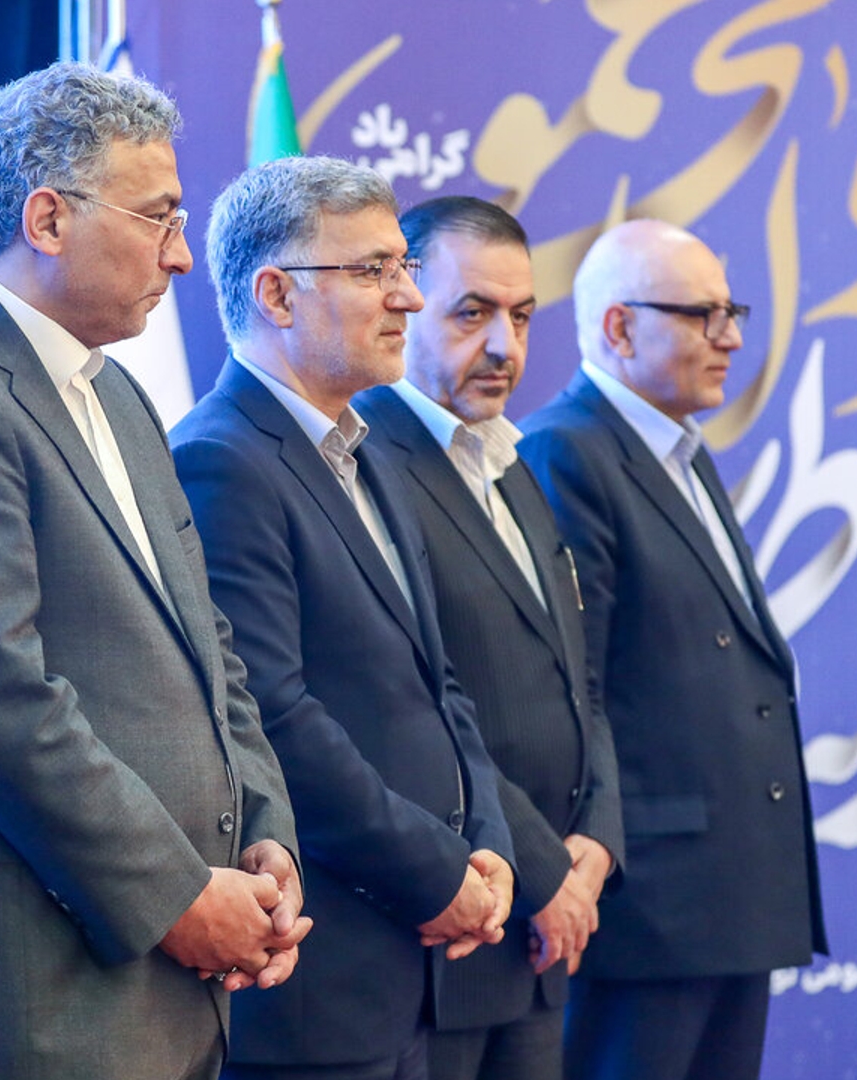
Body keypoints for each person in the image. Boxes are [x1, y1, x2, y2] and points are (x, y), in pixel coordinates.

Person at [0, 62, 306, 1080]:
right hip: (53, 990)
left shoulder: (122, 397)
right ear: (47, 219)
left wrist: (266, 836)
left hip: (181, 985)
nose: (181, 254)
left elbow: (210, 650)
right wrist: (177, 896)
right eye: (159, 217)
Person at [171, 156, 515, 1080]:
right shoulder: (220, 461)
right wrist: (437, 876)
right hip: (319, 991)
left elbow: (439, 683)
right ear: (275, 294)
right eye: (372, 270)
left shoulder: (370, 452)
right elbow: (274, 718)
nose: (408, 296)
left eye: (404, 266)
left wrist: (488, 844)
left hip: (413, 973)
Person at [515, 219, 827, 1080]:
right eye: (702, 315)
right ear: (620, 328)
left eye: (733, 313)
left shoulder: (678, 451)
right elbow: (573, 691)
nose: (731, 338)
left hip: (727, 897)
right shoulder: (566, 451)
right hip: (648, 904)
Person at [353, 196, 625, 1080]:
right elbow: (412, 708)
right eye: (473, 313)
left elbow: (580, 681)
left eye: (523, 316)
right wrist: (546, 875)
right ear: (402, 302)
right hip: (449, 942)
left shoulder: (510, 462)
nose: (505, 345)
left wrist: (597, 843)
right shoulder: (367, 465)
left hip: (544, 947)